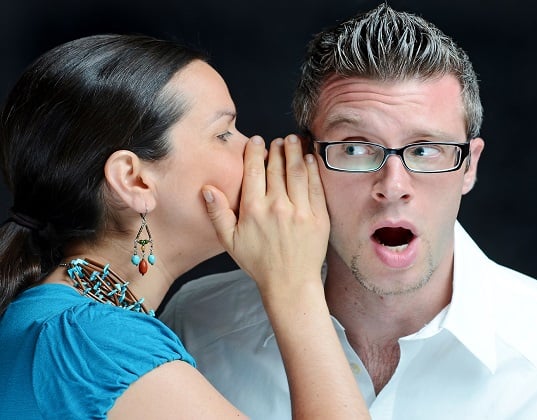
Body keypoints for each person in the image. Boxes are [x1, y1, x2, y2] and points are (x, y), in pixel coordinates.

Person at [161, 4, 537, 419]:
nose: (392, 187)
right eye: (355, 149)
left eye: (426, 150)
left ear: (468, 167)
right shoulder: (199, 323)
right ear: (306, 163)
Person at [0, 34, 370, 419]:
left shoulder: (53, 321)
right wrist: (295, 286)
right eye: (224, 133)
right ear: (135, 181)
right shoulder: (95, 344)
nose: (255, 148)